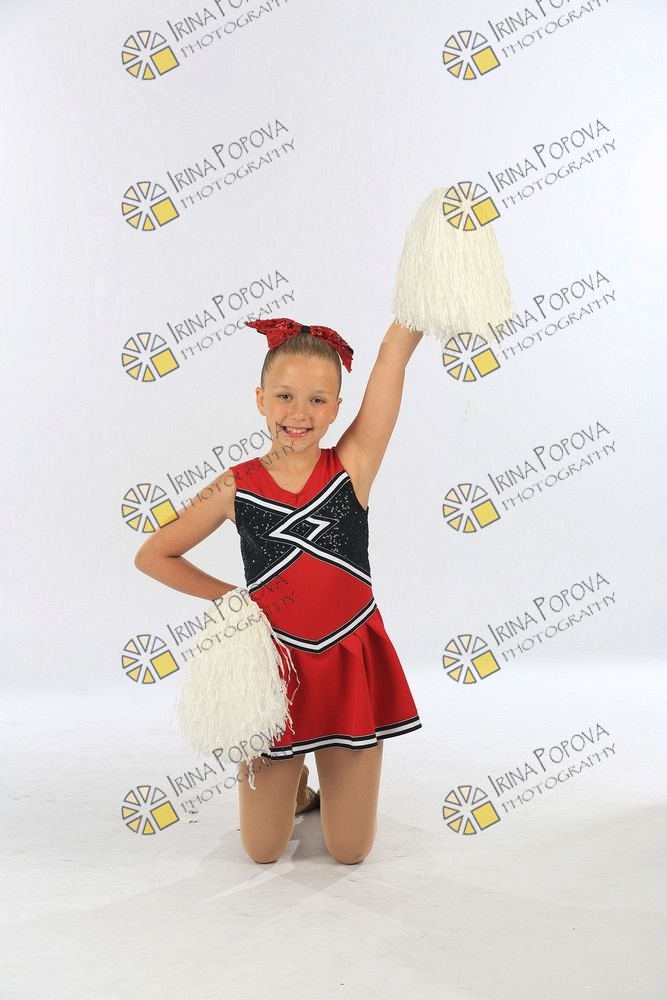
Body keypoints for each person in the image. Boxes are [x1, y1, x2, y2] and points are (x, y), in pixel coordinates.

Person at [134, 315, 424, 865]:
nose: (299, 413)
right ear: (260, 399)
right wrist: (234, 600)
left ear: (337, 408)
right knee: (262, 850)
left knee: (350, 851)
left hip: (348, 662)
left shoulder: (353, 464)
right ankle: (298, 789)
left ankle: (325, 777)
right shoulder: (235, 485)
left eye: (318, 400)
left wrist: (432, 277)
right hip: (272, 673)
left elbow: (393, 356)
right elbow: (154, 555)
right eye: (285, 396)